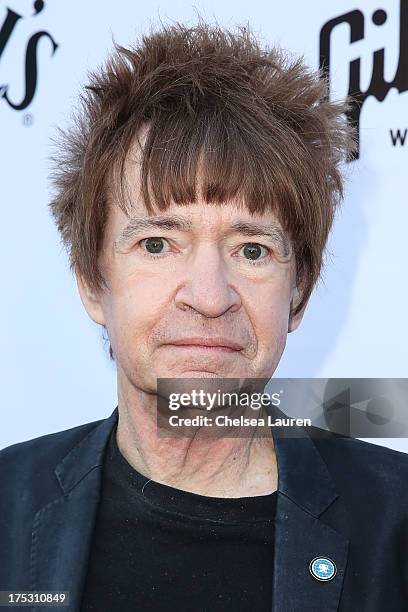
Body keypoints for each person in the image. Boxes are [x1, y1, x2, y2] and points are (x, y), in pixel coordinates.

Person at [1, 22, 407, 612]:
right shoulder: (9, 507)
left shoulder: (394, 525)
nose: (211, 296)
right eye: (159, 244)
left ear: (299, 294)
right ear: (92, 281)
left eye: (252, 250)